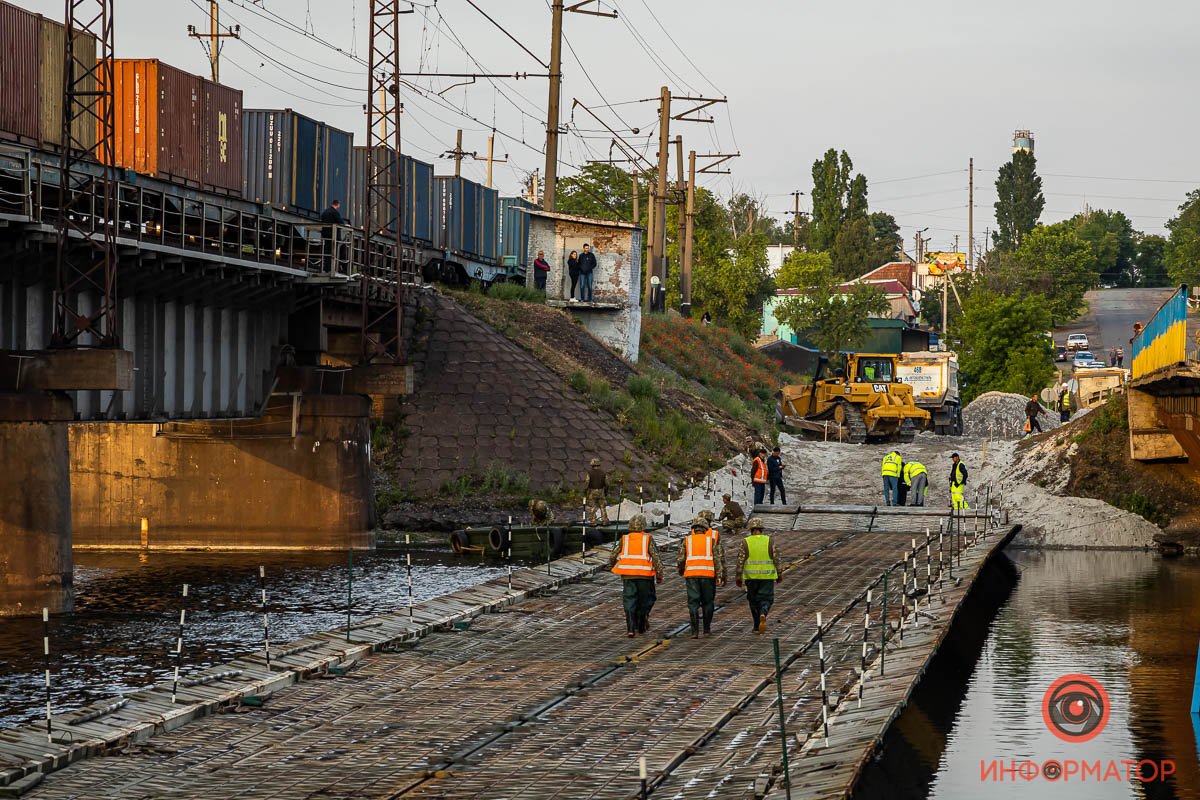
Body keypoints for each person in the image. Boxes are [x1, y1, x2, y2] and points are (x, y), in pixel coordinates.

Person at [608, 513, 664, 637]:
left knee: (629, 600)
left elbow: (612, 555)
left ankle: (630, 628)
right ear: (644, 525)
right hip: (645, 575)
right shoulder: (647, 539)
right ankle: (641, 624)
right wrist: (659, 574)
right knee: (646, 599)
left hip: (628, 575)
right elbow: (655, 557)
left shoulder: (624, 539)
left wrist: (613, 565)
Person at [677, 517, 725, 638]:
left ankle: (694, 631)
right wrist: (719, 575)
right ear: (705, 529)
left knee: (693, 603)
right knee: (708, 602)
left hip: (692, 576)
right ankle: (706, 629)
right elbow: (716, 559)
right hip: (708, 576)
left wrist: (681, 569)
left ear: (693, 529)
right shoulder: (710, 541)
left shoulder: (687, 540)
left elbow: (681, 559)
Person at [735, 518, 783, 634]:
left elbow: (740, 561)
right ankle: (763, 612)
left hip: (751, 578)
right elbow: (776, 558)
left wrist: (738, 576)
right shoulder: (769, 541)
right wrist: (779, 573)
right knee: (766, 599)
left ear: (750, 529)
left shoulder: (745, 542)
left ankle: (756, 626)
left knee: (753, 601)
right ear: (762, 529)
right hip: (767, 577)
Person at [319, 200, 347, 273]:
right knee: (334, 252)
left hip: (326, 235)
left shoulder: (325, 212)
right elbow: (341, 222)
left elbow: (321, 220)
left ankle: (326, 268)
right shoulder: (335, 212)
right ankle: (333, 269)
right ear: (337, 205)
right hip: (334, 236)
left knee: (327, 252)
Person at [584, 458, 609, 525]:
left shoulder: (590, 473)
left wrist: (585, 491)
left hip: (592, 491)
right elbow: (607, 484)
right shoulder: (603, 473)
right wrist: (605, 492)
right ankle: (605, 521)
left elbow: (587, 483)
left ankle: (593, 521)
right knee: (602, 507)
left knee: (593, 507)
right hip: (601, 491)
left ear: (592, 464)